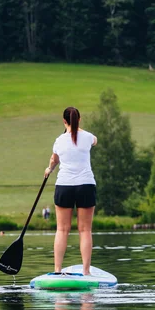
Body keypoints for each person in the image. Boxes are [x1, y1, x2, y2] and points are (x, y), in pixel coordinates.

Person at [45, 106, 97, 276]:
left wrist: (49, 169)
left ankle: (57, 270)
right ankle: (86, 271)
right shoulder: (88, 137)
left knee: (62, 230)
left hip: (64, 186)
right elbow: (95, 140)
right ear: (79, 120)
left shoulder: (59, 140)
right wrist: (77, 127)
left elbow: (54, 160)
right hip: (86, 186)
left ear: (64, 121)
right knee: (85, 230)